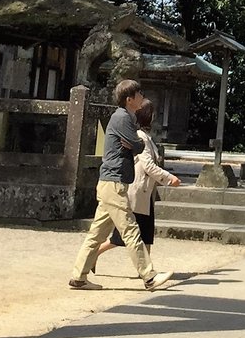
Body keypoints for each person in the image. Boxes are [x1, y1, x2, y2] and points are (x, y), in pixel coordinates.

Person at [68, 79, 175, 292]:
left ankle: (79, 276)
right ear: (129, 99)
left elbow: (135, 144)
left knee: (97, 234)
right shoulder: (123, 118)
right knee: (130, 229)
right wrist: (136, 144)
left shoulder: (124, 117)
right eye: (138, 94)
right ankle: (149, 276)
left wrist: (135, 144)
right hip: (114, 182)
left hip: (111, 182)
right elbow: (137, 145)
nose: (141, 97)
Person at [93, 98, 181, 270]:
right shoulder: (140, 136)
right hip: (138, 190)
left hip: (145, 192)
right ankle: (96, 253)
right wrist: (169, 177)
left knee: (146, 233)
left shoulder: (145, 136)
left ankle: (148, 270)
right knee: (125, 234)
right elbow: (148, 165)